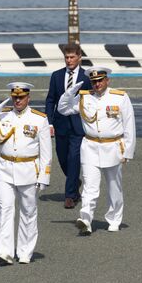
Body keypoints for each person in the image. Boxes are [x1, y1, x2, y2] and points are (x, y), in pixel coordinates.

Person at [0, 82, 52, 265]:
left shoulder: (39, 119)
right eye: (15, 97)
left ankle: (25, 251)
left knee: (28, 211)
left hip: (28, 170)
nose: (18, 100)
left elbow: (47, 152)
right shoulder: (2, 116)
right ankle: (4, 252)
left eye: (21, 97)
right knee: (6, 209)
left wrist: (44, 176)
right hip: (5, 169)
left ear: (28, 97)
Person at [58, 67, 136, 235]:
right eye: (94, 81)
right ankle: (86, 218)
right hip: (90, 146)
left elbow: (129, 125)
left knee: (114, 186)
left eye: (100, 80)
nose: (97, 84)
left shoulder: (120, 97)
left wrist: (128, 151)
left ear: (107, 80)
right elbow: (62, 109)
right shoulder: (84, 98)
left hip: (113, 146)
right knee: (89, 185)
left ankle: (114, 218)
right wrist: (71, 91)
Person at [45, 43, 92, 209]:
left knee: (74, 158)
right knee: (62, 157)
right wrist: (49, 122)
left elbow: (91, 100)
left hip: (79, 125)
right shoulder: (56, 76)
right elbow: (51, 99)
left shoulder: (87, 77)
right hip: (60, 123)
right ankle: (74, 180)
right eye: (67, 57)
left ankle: (70, 196)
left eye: (72, 57)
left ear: (79, 57)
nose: (69, 60)